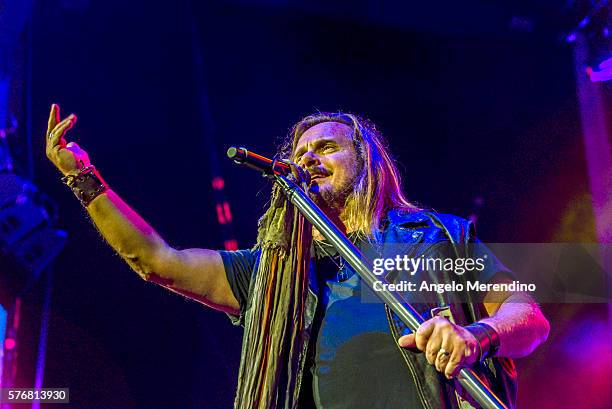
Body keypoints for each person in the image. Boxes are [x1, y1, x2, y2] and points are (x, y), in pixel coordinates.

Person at [45, 104, 550, 409]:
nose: (308, 159)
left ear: (368, 159)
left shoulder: (440, 238)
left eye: (326, 147)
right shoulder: (273, 271)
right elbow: (154, 258)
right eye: (301, 154)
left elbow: (526, 317)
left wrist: (478, 335)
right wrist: (82, 177)